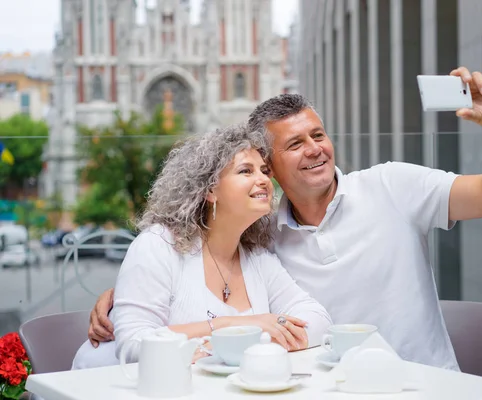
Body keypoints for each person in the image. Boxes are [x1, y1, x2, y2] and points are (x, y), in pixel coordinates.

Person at [87, 63, 482, 371]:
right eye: (294, 145)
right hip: (327, 388)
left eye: (318, 135)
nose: (315, 149)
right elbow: (191, 270)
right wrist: (126, 293)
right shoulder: (262, 237)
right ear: (270, 164)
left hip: (423, 383)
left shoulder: (393, 185)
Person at [72, 124, 332, 369]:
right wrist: (236, 326)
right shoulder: (159, 245)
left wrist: (252, 344)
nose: (264, 179)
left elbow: (318, 321)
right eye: (245, 171)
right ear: (210, 190)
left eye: (264, 171)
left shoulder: (258, 259)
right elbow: (134, 345)